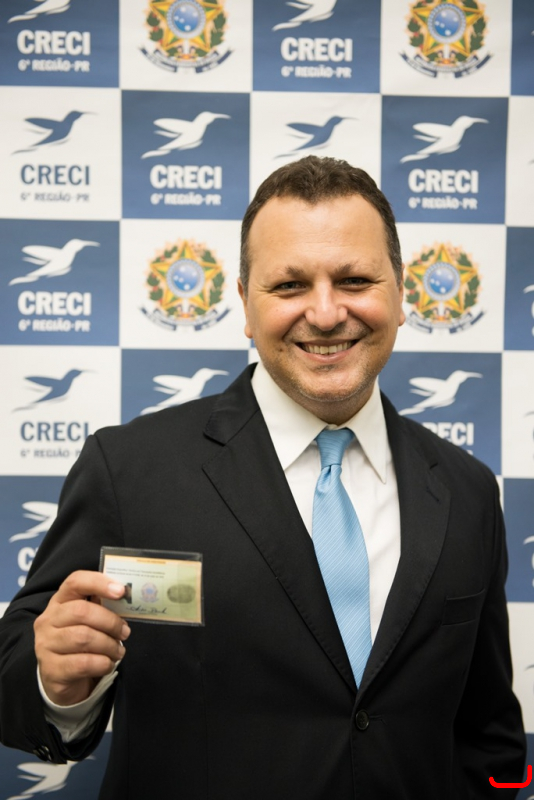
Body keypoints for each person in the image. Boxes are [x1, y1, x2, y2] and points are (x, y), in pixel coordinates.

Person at [0, 156, 525, 799]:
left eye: (355, 279)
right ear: (247, 304)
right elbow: (17, 676)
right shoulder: (128, 470)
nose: (326, 313)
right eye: (290, 285)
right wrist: (55, 685)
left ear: (400, 295)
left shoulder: (468, 492)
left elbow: (489, 736)